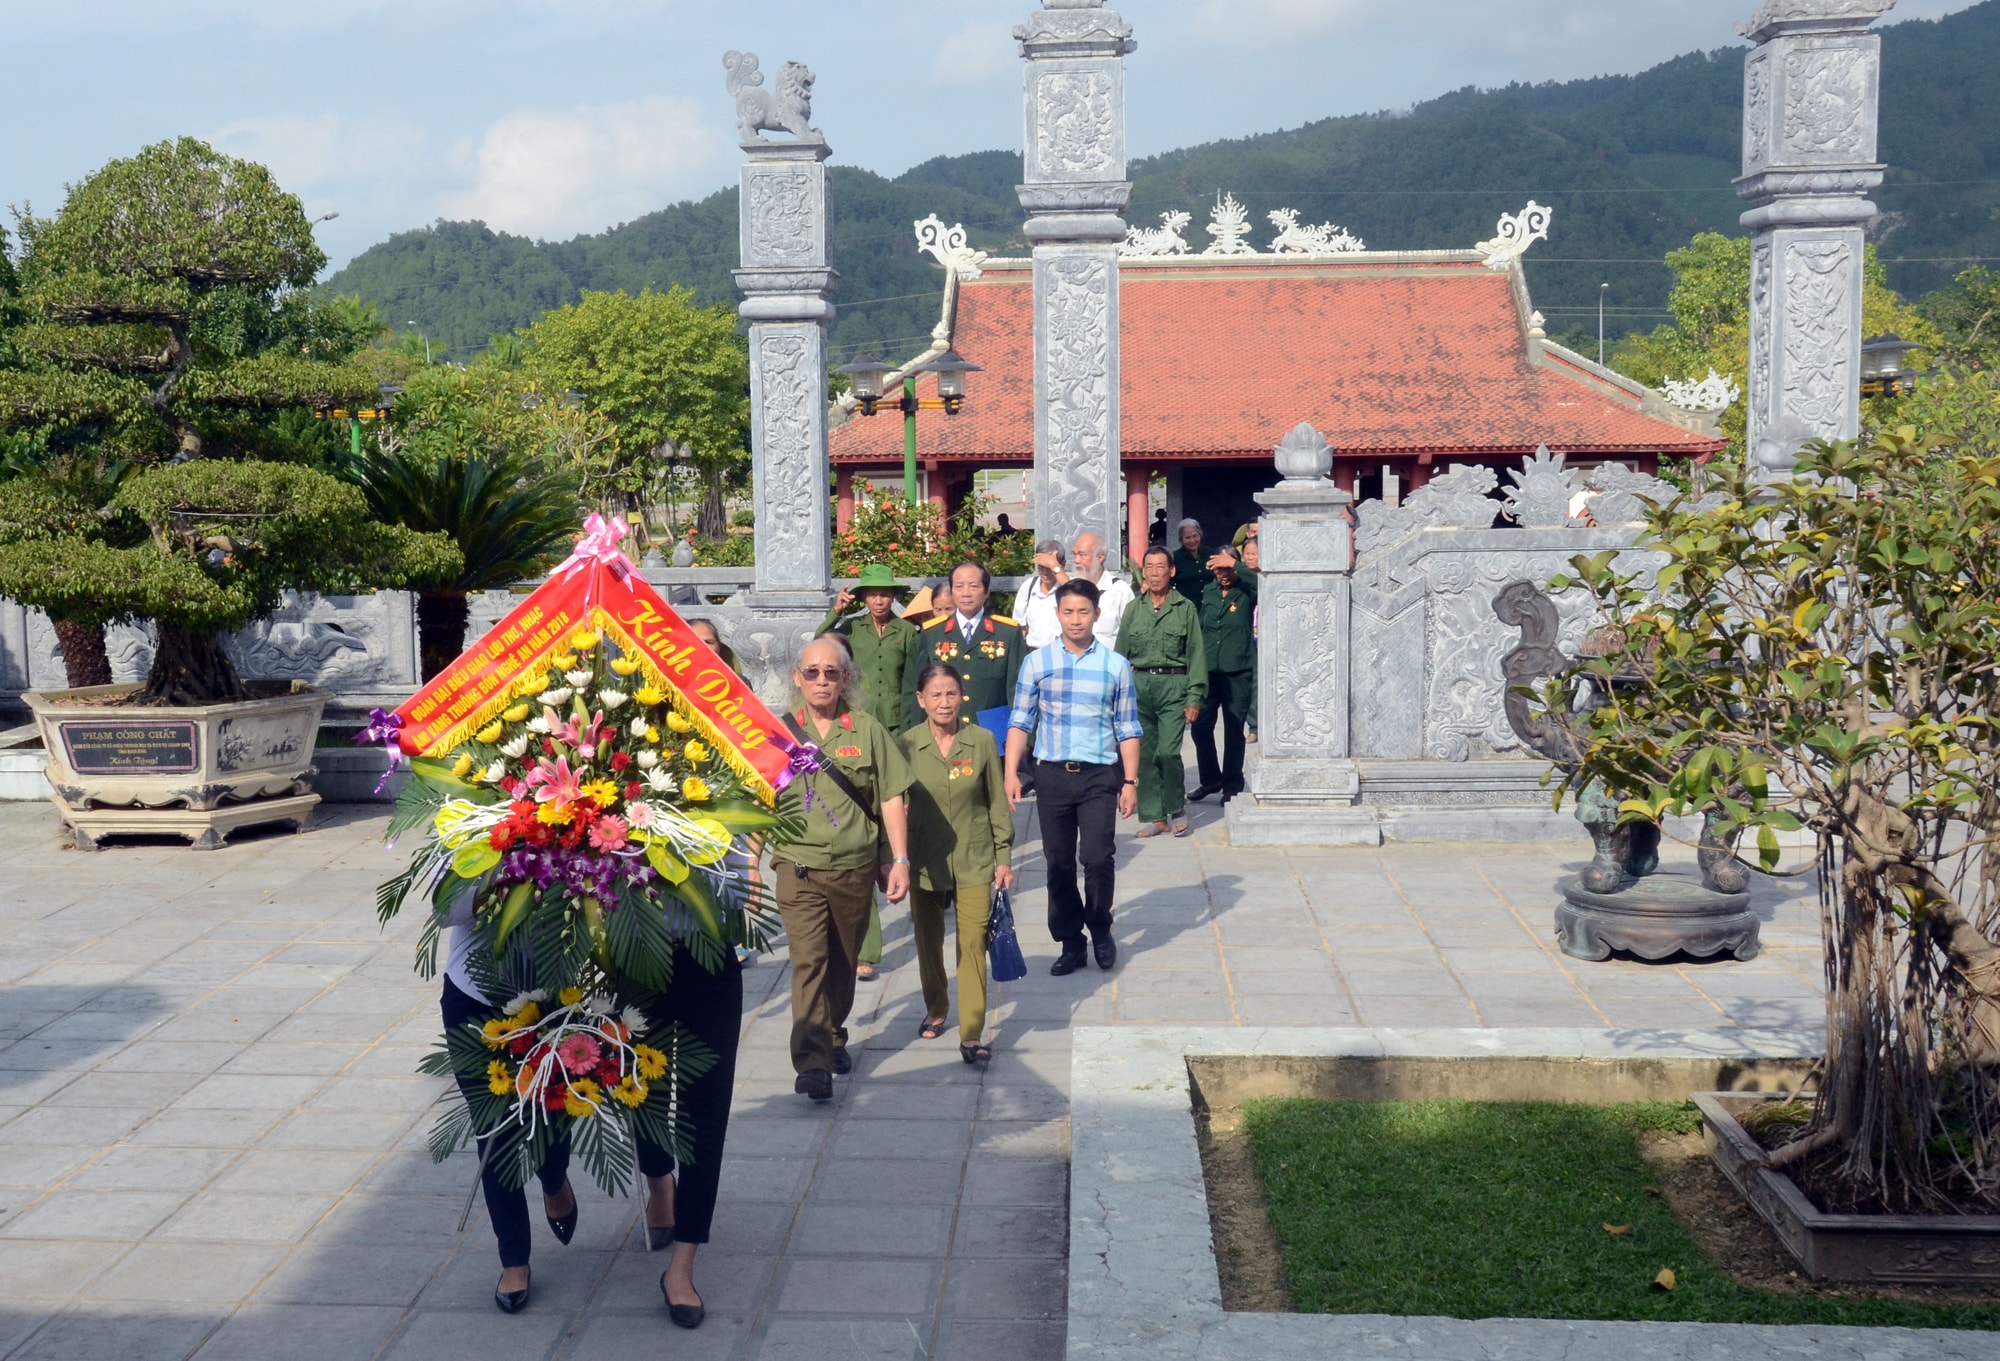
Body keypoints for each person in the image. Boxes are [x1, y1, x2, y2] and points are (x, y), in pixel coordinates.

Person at [439, 913, 735, 1329]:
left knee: (699, 1114)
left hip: (692, 956)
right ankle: (515, 1257)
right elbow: (446, 907)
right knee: (502, 1125)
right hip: (498, 984)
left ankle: (680, 1266)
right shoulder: (464, 847)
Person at [767, 638, 913, 1101]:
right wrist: (749, 865)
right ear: (797, 677)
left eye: (832, 672)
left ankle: (832, 1033)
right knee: (810, 960)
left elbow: (891, 795)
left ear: (846, 679)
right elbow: (757, 799)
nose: (822, 681)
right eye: (812, 672)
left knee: (843, 961)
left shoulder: (866, 729)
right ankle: (811, 1063)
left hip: (854, 866)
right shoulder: (777, 732)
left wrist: (901, 860)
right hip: (798, 865)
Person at [1004, 579, 1142, 975]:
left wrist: (1129, 782)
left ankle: (1100, 928)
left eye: (1084, 611)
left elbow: (1128, 727)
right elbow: (1020, 721)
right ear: (1057, 613)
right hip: (1052, 776)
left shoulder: (1114, 665)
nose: (1076, 619)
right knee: (1058, 862)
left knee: (1098, 858)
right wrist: (1011, 771)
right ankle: (1070, 941)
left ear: (1097, 614)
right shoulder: (1038, 662)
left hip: (1100, 774)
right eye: (1068, 612)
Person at [901, 662, 1014, 1063]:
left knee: (972, 943)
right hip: (923, 858)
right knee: (928, 942)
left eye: (951, 693)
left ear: (961, 695)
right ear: (921, 700)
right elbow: (894, 806)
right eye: (935, 695)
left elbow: (996, 801)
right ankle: (936, 1006)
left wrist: (1004, 857)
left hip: (975, 856)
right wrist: (893, 859)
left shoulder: (981, 740)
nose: (944, 702)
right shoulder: (907, 744)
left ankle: (971, 1031)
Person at [819, 565, 923, 981]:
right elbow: (817, 649)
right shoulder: (851, 631)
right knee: (866, 823)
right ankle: (867, 947)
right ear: (863, 597)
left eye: (886, 594)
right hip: (856, 731)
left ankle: (912, 880)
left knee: (895, 820)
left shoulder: (908, 634)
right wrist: (834, 611)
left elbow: (913, 684)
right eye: (872, 595)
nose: (879, 601)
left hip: (897, 732)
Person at [1116, 545, 1207, 839]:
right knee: (1144, 753)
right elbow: (1120, 655)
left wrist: (1194, 697)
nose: (1154, 574)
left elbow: (1195, 655)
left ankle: (1177, 807)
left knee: (1168, 752)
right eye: (1149, 567)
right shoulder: (1133, 610)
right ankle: (1156, 816)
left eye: (1160, 567)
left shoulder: (1185, 609)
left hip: (1173, 687)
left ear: (1171, 571)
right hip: (1140, 688)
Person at [908, 561, 1024, 720]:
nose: (966, 593)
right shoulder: (932, 633)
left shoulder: (1008, 633)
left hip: (991, 733)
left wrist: (1021, 737)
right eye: (959, 586)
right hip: (946, 731)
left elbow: (1017, 691)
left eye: (973, 586)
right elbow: (918, 689)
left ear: (986, 591)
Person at [1190, 545, 1258, 803]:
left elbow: (1265, 585)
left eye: (1228, 567)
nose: (1224, 573)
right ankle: (1211, 779)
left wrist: (1237, 564)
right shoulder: (1208, 592)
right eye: (1219, 568)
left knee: (1233, 729)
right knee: (1199, 726)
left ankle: (1232, 785)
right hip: (1208, 671)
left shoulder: (1246, 591)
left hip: (1237, 670)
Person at [1070, 531, 1134, 652]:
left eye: (1081, 555)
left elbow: (1132, 632)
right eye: (1074, 555)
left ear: (1100, 557)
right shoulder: (1071, 589)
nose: (1076, 560)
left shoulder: (1119, 591)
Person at [1012, 541, 1067, 650]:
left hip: (1060, 651)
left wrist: (1054, 566)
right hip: (1032, 650)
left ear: (1063, 565)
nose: (1045, 573)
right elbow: (1020, 626)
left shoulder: (1067, 586)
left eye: (1049, 568)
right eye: (1041, 567)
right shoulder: (1029, 586)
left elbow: (1075, 592)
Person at [1171, 518, 1211, 605]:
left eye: (1195, 536)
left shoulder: (1210, 553)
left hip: (1210, 605)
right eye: (1187, 538)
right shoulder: (1176, 558)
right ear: (1181, 540)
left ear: (1200, 535)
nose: (1192, 540)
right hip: (1186, 606)